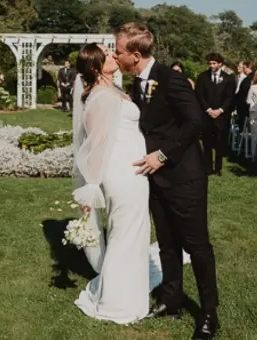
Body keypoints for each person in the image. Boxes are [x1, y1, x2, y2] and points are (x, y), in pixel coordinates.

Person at [113, 22, 219, 340]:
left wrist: (161, 155)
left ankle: (209, 313)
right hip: (156, 183)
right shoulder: (135, 85)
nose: (115, 56)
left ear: (134, 54)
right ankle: (171, 301)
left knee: (196, 246)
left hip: (184, 178)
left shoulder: (172, 80)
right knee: (167, 246)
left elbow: (195, 122)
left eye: (118, 52)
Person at [71, 43, 151, 324]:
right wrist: (90, 189)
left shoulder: (113, 90)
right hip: (122, 173)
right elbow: (95, 145)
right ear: (95, 66)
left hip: (134, 169)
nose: (114, 54)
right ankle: (116, 303)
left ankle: (127, 293)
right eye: (108, 52)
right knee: (124, 234)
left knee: (131, 232)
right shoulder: (101, 97)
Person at [195, 53, 236, 176]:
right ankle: (207, 167)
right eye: (210, 63)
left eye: (214, 63)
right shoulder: (203, 77)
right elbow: (199, 95)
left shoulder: (228, 78)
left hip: (222, 116)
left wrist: (220, 110)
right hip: (207, 115)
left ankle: (218, 168)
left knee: (220, 142)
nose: (211, 65)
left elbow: (230, 97)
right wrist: (208, 109)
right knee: (207, 143)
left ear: (220, 64)